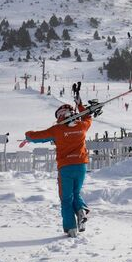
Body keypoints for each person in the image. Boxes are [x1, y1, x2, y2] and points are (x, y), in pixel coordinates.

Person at [24, 94, 96, 238]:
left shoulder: (57, 130)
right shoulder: (82, 126)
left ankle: (71, 228)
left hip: (66, 167)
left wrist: (27, 135)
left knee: (66, 198)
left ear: (61, 116)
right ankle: (81, 210)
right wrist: (81, 105)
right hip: (81, 165)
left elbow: (36, 136)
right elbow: (88, 118)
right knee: (76, 193)